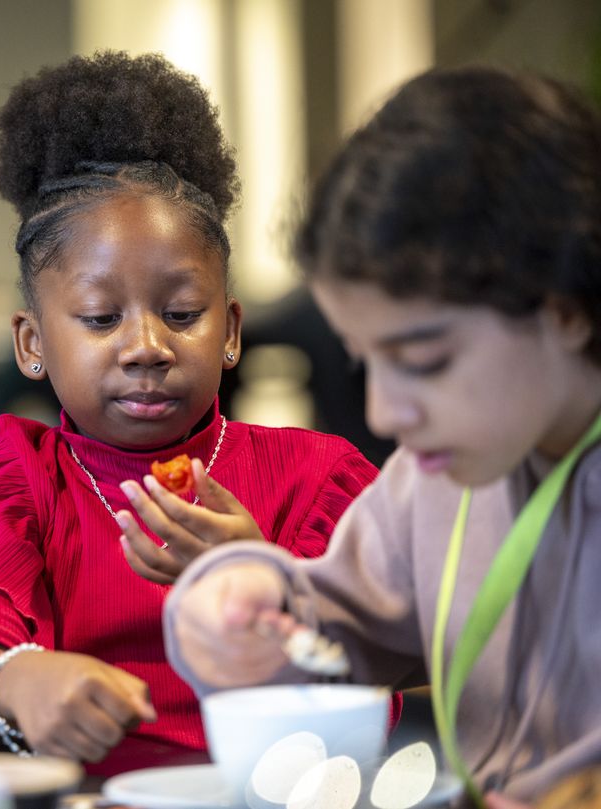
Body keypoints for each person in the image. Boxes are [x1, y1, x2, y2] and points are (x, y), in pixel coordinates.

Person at [0, 51, 380, 762]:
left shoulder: (316, 479)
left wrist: (269, 577)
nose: (146, 346)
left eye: (181, 313)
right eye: (99, 318)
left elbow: (371, 669)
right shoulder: (12, 479)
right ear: (31, 343)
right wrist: (15, 677)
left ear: (231, 331)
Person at [163, 66, 601, 809]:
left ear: (564, 309)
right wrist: (247, 610)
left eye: (422, 361)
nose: (384, 412)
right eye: (363, 361)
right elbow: (331, 635)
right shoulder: (432, 483)